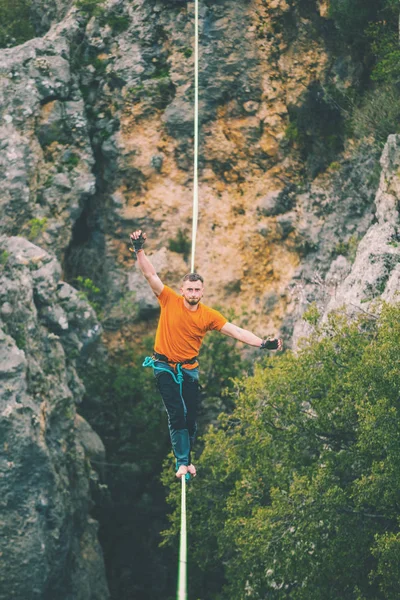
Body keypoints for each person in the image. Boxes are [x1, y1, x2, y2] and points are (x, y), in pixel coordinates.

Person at [130, 230, 283, 479]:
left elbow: (236, 331)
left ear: (202, 292)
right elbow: (150, 274)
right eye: (189, 289)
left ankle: (187, 461)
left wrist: (263, 343)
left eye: (196, 290)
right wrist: (139, 249)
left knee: (191, 418)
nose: (192, 293)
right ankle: (181, 463)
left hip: (189, 368)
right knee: (176, 413)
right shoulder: (169, 299)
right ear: (182, 290)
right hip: (164, 366)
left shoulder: (208, 315)